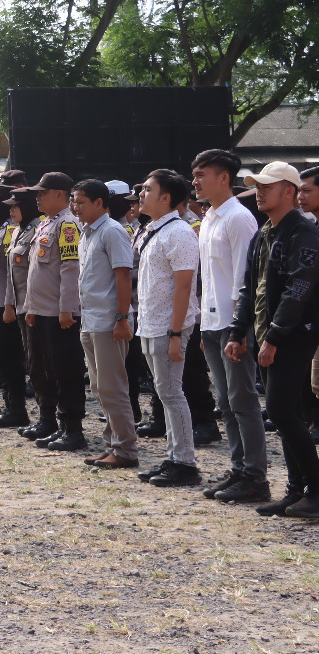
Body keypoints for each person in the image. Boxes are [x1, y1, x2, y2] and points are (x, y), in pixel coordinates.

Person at [227, 163, 319, 518]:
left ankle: (314, 488)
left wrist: (275, 337)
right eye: (256, 186)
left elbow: (299, 289)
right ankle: (297, 490)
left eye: (267, 186)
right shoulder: (265, 231)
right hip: (270, 334)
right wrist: (238, 332)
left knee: (281, 410)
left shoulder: (303, 233)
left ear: (289, 192)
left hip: (294, 336)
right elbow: (250, 288)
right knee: (286, 412)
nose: (259, 191)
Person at [192, 149, 268, 502]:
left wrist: (239, 331)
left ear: (223, 177)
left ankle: (255, 476)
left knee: (242, 401)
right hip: (211, 322)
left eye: (201, 174)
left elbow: (244, 282)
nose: (194, 181)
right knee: (225, 401)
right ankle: (239, 469)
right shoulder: (209, 217)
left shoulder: (238, 218)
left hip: (231, 325)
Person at [133, 169, 202, 487]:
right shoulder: (155, 229)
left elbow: (184, 287)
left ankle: (185, 463)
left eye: (147, 189)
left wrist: (176, 334)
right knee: (164, 393)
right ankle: (175, 457)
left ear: (166, 198)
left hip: (168, 326)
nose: (141, 194)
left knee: (173, 393)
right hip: (150, 323)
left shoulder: (179, 232)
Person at [70, 179, 138, 468]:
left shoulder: (112, 232)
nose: (75, 207)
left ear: (99, 203)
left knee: (113, 386)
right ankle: (112, 443)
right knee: (99, 387)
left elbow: (123, 277)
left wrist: (122, 318)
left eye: (81, 202)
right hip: (91, 319)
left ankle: (125, 449)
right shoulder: (87, 233)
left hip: (109, 321)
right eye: (73, 201)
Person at [21, 172, 85, 448]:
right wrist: (31, 307)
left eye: (42, 192)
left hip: (60, 314)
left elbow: (70, 269)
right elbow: (36, 272)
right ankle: (48, 419)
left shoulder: (68, 225)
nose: (37, 197)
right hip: (41, 310)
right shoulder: (45, 224)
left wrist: (67, 308)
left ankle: (72, 428)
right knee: (41, 368)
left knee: (65, 370)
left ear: (59, 194)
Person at [0, 186, 29, 428]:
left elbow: (12, 274)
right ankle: (9, 405)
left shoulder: (12, 231)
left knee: (11, 359)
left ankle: (16, 408)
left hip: (7, 306)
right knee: (0, 357)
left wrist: (7, 304)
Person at [1, 186, 42, 432]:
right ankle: (40, 417)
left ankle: (49, 418)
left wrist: (31, 306)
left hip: (35, 308)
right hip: (21, 307)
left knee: (40, 364)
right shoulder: (19, 232)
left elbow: (41, 275)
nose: (11, 210)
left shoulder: (39, 229)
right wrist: (9, 304)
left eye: (15, 206)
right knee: (31, 362)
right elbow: (11, 275)